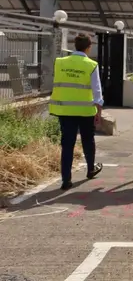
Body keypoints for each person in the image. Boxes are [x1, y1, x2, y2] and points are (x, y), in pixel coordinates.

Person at [49, 33, 104, 191]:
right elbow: (97, 91)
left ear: (74, 45)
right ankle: (90, 169)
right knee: (88, 140)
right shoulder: (91, 65)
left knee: (67, 144)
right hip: (86, 110)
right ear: (89, 47)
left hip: (64, 110)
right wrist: (98, 111)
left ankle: (66, 180)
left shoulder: (59, 62)